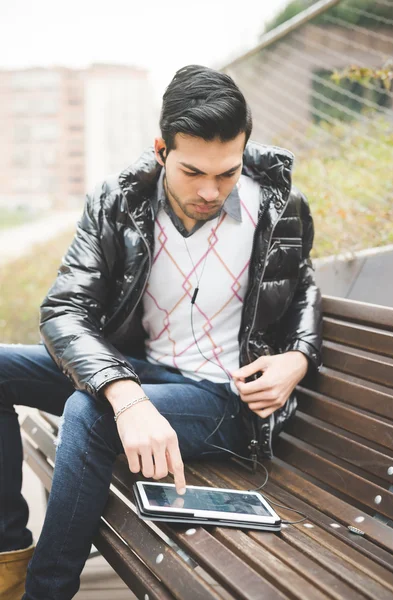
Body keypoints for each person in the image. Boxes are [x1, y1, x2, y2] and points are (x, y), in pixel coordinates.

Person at [0, 64, 322, 599]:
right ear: (161, 150)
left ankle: (44, 592)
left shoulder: (278, 206)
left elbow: (304, 285)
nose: (211, 190)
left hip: (224, 397)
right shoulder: (118, 202)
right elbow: (63, 311)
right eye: (194, 172)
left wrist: (298, 358)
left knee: (90, 411)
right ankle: (8, 556)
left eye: (227, 172)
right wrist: (128, 396)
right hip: (142, 372)